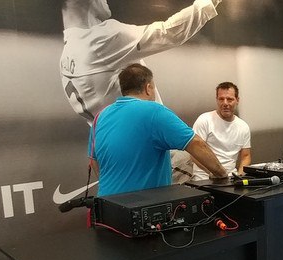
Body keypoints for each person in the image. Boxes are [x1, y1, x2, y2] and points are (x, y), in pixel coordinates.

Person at [57, 0, 241, 122]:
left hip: (112, 150)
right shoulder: (100, 38)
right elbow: (168, 32)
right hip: (143, 148)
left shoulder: (66, 58)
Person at [89, 64, 227, 196]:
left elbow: (94, 160)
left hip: (106, 203)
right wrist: (221, 173)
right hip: (143, 205)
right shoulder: (154, 110)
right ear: (148, 88)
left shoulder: (100, 117)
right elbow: (195, 143)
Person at [190, 82, 252, 180]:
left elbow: (246, 156)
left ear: (237, 100)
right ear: (217, 100)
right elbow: (194, 154)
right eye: (221, 99)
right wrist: (213, 173)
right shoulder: (204, 120)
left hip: (231, 179)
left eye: (230, 99)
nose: (225, 103)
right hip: (204, 179)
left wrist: (240, 176)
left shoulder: (243, 127)